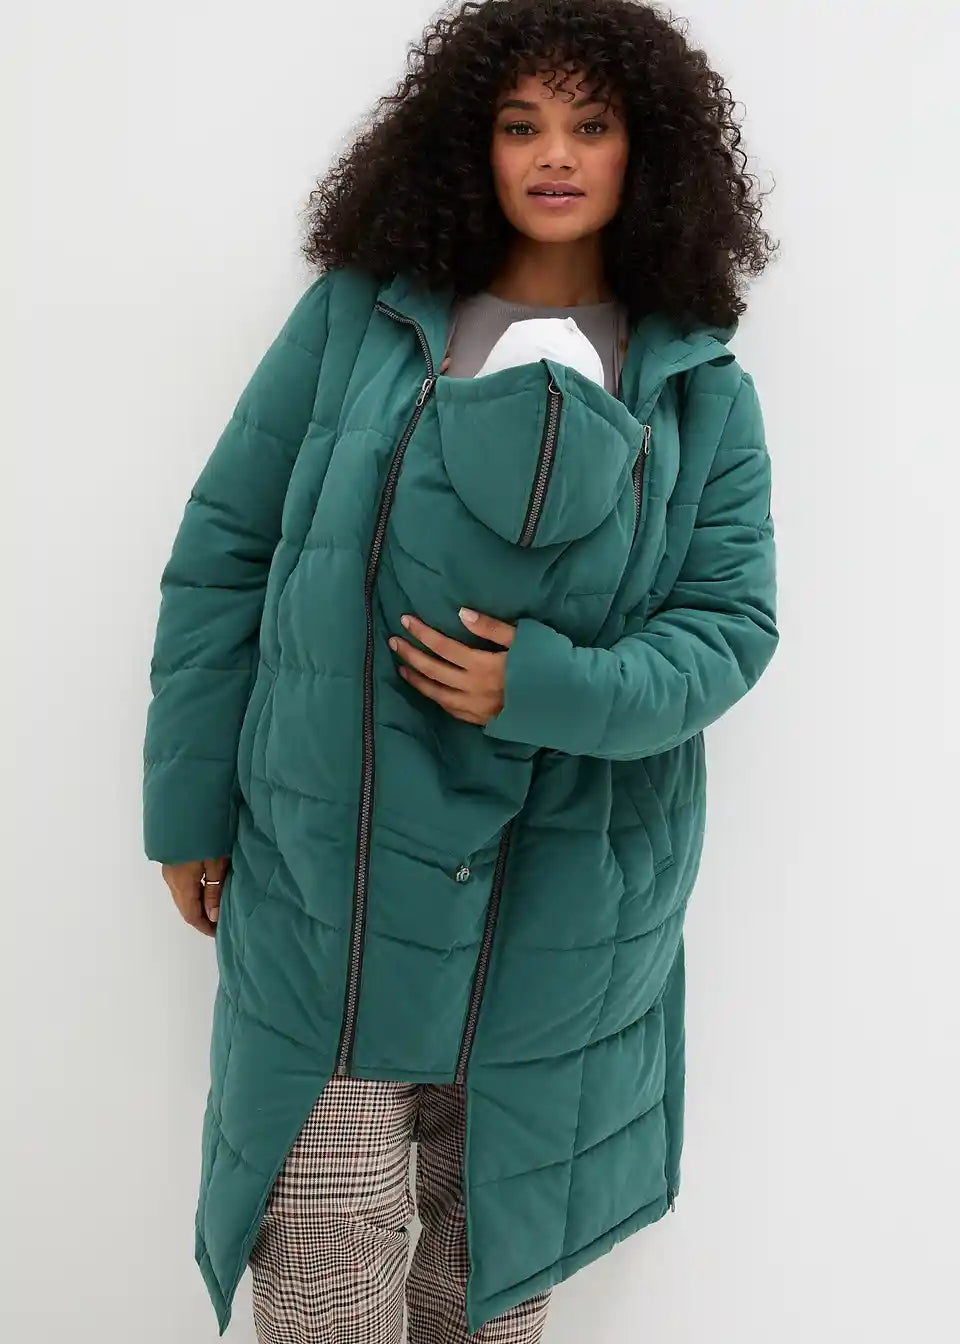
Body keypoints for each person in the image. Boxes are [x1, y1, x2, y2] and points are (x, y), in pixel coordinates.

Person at [141, 2, 780, 1340]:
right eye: (520, 123)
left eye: (591, 125)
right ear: (467, 145)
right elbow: (225, 552)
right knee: (322, 1252)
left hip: (566, 899)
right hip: (325, 873)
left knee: (483, 1272)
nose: (555, 154)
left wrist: (540, 687)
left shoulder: (696, 384)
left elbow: (730, 628)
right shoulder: (360, 323)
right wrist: (187, 807)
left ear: (647, 151)